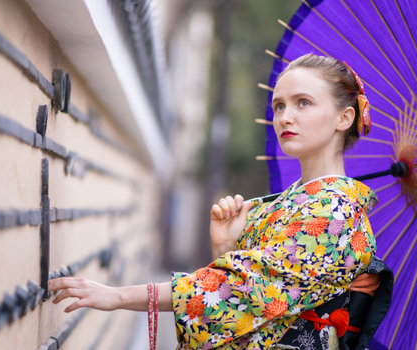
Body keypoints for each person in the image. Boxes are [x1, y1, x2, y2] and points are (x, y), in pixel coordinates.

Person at [48, 54, 380, 350]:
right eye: (279, 105)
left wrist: (117, 296)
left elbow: (238, 291)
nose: (284, 117)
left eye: (303, 102)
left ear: (344, 118)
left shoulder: (335, 213)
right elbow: (241, 305)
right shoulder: (283, 204)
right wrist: (224, 246)